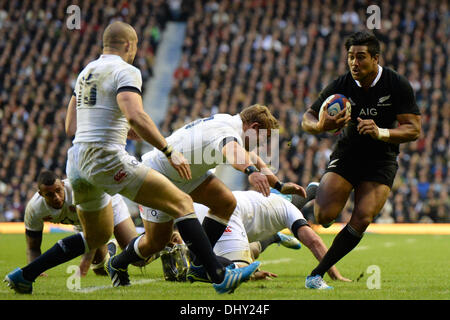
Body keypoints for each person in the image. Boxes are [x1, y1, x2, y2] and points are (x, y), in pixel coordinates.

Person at [4, 21, 260, 295]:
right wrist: (169, 151)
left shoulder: (86, 73)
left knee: (97, 236)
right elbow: (135, 114)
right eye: (136, 47)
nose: (135, 52)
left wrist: (120, 129)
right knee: (182, 202)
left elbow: (71, 127)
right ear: (129, 45)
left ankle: (24, 275)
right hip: (106, 158)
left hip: (77, 162)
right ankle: (218, 275)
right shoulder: (126, 71)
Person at [110, 104, 306, 283]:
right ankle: (117, 263)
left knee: (226, 202)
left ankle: (199, 266)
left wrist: (279, 185)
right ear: (254, 128)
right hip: (159, 173)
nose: (260, 145)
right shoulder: (225, 130)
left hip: (187, 175)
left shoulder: (229, 123)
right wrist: (250, 172)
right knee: (156, 242)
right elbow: (234, 153)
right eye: (262, 139)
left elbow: (251, 157)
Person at [301, 31, 421, 289]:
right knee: (323, 218)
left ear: (376, 59)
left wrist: (381, 132)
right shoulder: (341, 85)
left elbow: (413, 129)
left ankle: (316, 274)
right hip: (348, 156)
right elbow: (307, 118)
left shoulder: (396, 84)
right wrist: (321, 125)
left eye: (361, 57)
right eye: (351, 57)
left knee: (363, 217)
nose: (355, 63)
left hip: (382, 160)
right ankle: (319, 191)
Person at [190, 183, 351, 282]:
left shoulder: (263, 200)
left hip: (217, 208)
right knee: (238, 270)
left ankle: (274, 236)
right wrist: (335, 274)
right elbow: (314, 242)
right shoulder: (288, 209)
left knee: (210, 254)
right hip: (232, 214)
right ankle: (274, 236)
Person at [24, 170, 137, 277]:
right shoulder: (34, 209)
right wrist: (35, 271)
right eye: (49, 194)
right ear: (40, 194)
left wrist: (83, 267)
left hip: (108, 203)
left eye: (58, 190)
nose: (56, 198)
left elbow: (95, 231)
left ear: (63, 185)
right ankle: (110, 248)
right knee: (101, 270)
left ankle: (153, 240)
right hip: (84, 222)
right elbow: (33, 247)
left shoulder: (79, 191)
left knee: (137, 258)